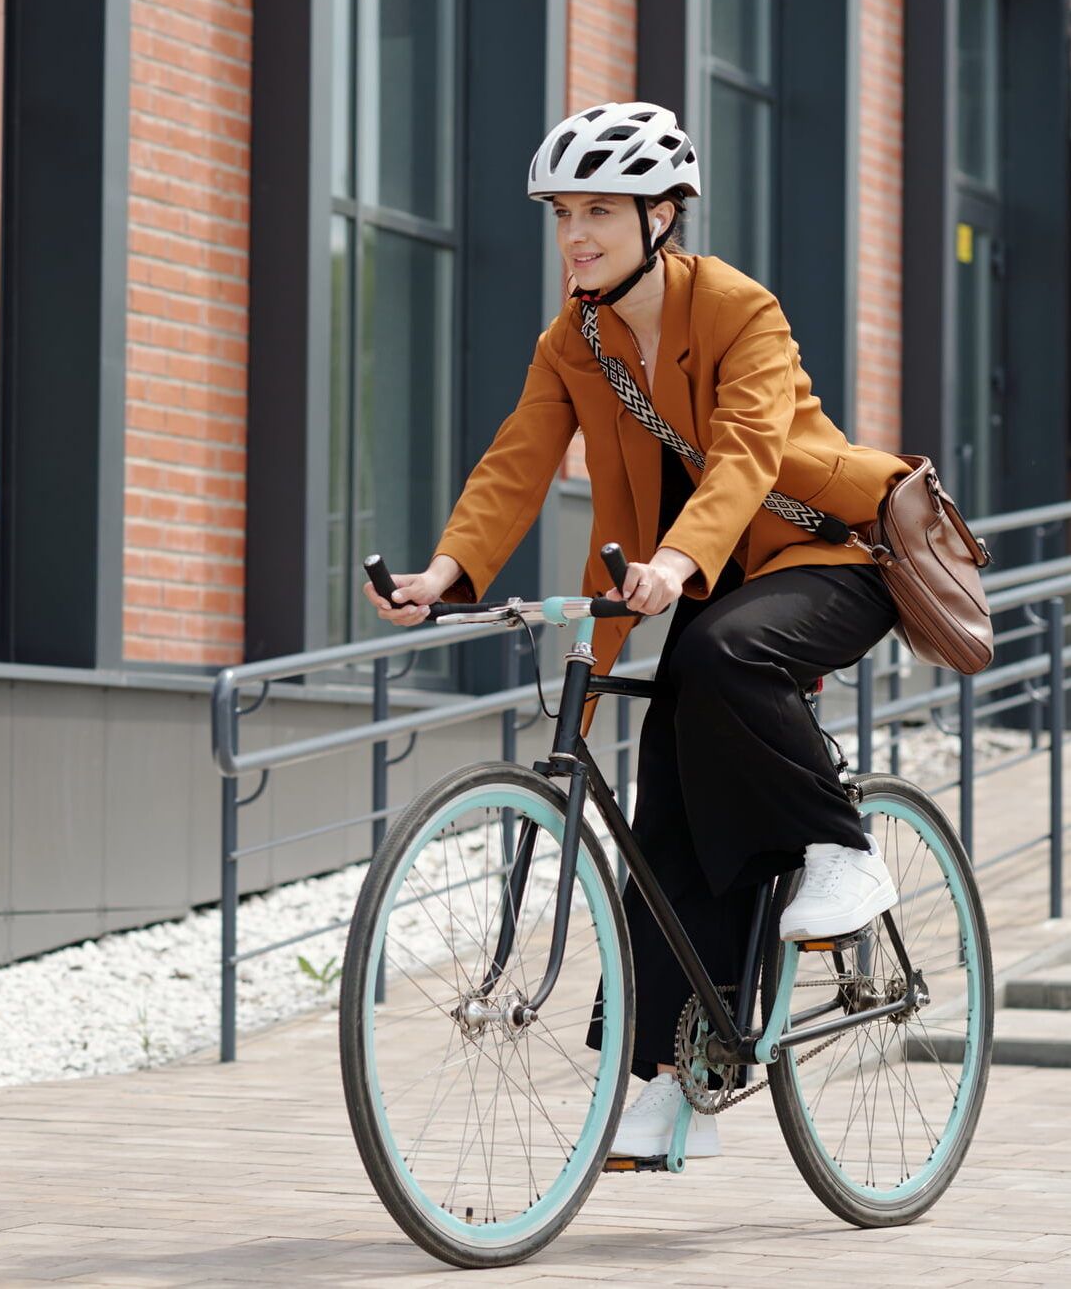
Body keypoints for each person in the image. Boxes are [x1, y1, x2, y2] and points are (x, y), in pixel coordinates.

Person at [363, 101, 909, 1161]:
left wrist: (673, 559)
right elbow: (517, 461)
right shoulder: (575, 339)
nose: (576, 233)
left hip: (827, 555)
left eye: (600, 211)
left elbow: (749, 452)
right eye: (564, 212)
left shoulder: (739, 309)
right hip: (693, 577)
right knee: (665, 821)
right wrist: (446, 569)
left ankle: (844, 848)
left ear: (662, 214)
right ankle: (661, 1075)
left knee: (718, 654)